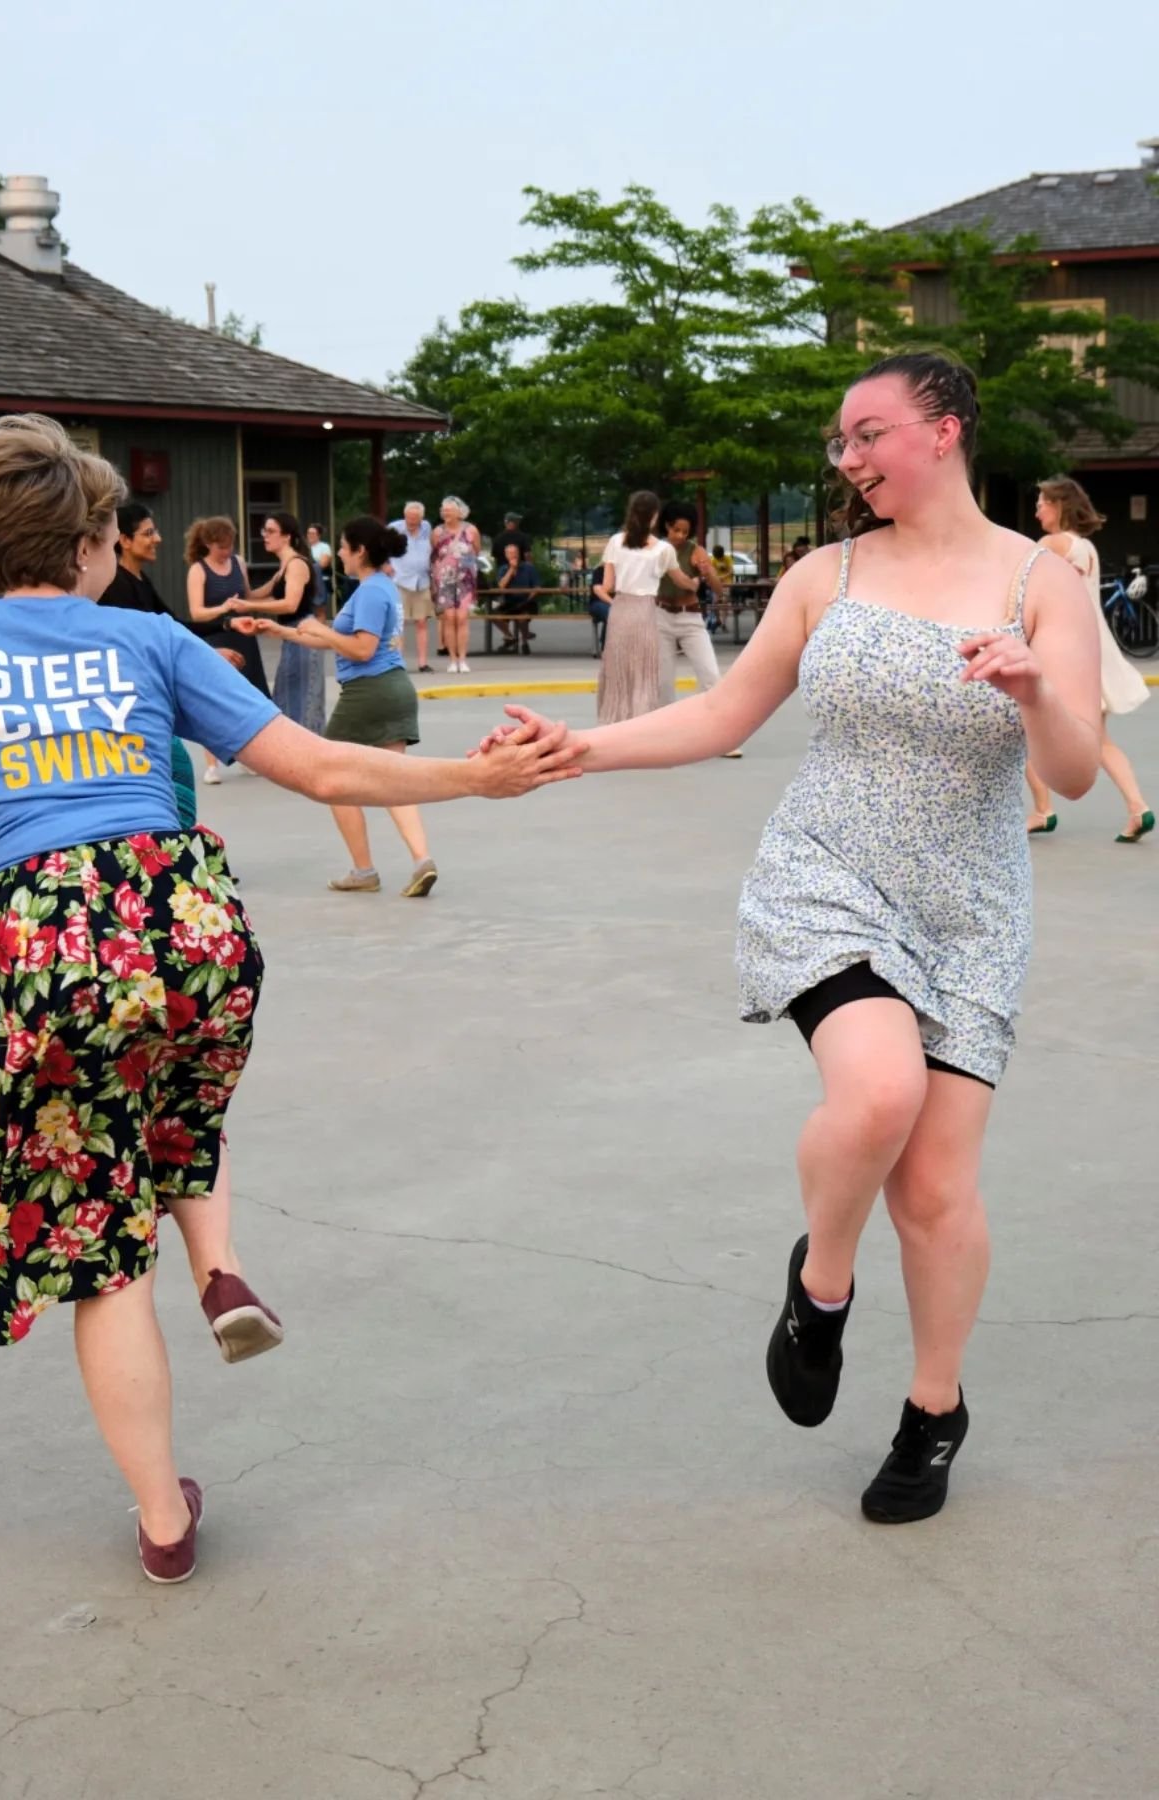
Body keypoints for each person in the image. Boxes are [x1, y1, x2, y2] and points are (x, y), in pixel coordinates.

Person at [0, 414, 579, 1585]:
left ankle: (164, 1524)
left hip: (49, 941)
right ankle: (219, 1261)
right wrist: (474, 780)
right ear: (92, 546)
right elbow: (321, 766)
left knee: (101, 1255)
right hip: (183, 916)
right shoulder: (148, 640)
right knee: (181, 1089)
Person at [478, 352, 1101, 1524]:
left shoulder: (1038, 585)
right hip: (830, 872)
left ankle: (933, 1411)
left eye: (869, 433)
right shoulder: (828, 573)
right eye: (842, 442)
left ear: (946, 431)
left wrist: (1034, 692)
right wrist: (578, 748)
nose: (850, 458)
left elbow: (1068, 770)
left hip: (972, 903)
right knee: (876, 1097)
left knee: (936, 1187)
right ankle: (821, 1286)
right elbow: (724, 711)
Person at [241, 517, 442, 897]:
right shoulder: (383, 588)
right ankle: (422, 860)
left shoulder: (369, 592)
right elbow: (341, 642)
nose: (340, 554)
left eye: (345, 548)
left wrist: (322, 630)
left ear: (360, 551)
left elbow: (362, 650)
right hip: (394, 688)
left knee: (332, 779)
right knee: (395, 782)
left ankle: (363, 869)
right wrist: (281, 631)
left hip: (368, 692)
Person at [1024, 477, 1151, 841]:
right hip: (1097, 653)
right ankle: (1137, 806)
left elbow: (1025, 592)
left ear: (1058, 506)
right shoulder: (1087, 548)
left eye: (1042, 502)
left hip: (1063, 657)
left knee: (1020, 730)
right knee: (1100, 742)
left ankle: (1043, 809)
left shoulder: (1050, 546)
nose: (1037, 509)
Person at [96, 502, 201, 820]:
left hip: (147, 702)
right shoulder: (114, 587)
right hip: (127, 708)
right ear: (124, 540)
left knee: (176, 773)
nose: (157, 539)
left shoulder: (138, 581)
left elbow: (171, 626)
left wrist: (224, 628)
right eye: (148, 532)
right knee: (170, 774)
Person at [185, 515, 272, 787]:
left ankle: (247, 756)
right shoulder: (198, 570)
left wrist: (276, 582)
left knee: (248, 695)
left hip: (243, 635)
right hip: (216, 637)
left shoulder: (238, 563)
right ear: (209, 544)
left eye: (230, 545)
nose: (228, 551)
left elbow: (249, 596)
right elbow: (196, 612)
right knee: (215, 699)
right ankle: (212, 764)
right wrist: (224, 609)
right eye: (222, 547)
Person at [657, 502, 743, 756]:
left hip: (690, 618)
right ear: (666, 526)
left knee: (711, 676)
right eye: (676, 530)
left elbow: (718, 590)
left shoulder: (696, 551)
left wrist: (708, 572)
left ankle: (724, 739)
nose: (680, 536)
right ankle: (665, 737)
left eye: (685, 531)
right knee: (663, 683)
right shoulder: (656, 550)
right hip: (659, 616)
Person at [233, 512, 326, 734]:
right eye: (264, 531)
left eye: (271, 531)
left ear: (287, 536)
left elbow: (289, 604)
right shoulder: (283, 567)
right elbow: (254, 596)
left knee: (304, 702)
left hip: (303, 633)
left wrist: (249, 607)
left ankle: (310, 758)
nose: (265, 536)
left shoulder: (297, 564)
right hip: (290, 635)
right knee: (286, 697)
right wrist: (239, 567)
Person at [594, 491, 673, 724]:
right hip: (645, 609)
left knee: (617, 667)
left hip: (620, 609)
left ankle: (613, 719)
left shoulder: (615, 542)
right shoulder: (662, 549)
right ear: (654, 516)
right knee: (644, 669)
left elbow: (607, 585)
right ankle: (642, 721)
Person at [431, 496, 480, 673]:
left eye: (450, 510)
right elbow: (435, 556)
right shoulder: (437, 532)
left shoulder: (471, 530)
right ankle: (452, 659)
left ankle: (463, 659)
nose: (446, 513)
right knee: (449, 618)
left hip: (465, 579)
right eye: (444, 510)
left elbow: (476, 551)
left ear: (460, 513)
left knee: (462, 618)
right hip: (445, 580)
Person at [388, 501, 435, 671]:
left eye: (415, 518)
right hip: (400, 580)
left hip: (421, 582)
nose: (412, 521)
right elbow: (382, 546)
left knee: (422, 622)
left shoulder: (426, 528)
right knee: (397, 623)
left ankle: (422, 662)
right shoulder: (394, 528)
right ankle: (396, 661)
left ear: (421, 518)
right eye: (409, 517)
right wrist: (386, 565)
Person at [494, 542, 540, 653]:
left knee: (521, 618)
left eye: (515, 553)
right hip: (509, 602)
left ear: (519, 554)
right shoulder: (503, 569)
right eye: (510, 553)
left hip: (526, 602)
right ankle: (510, 637)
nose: (513, 555)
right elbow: (501, 586)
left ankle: (524, 641)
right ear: (506, 555)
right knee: (494, 615)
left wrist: (529, 598)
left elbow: (537, 587)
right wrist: (511, 570)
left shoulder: (529, 568)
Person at [305, 524, 333, 619]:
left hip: (321, 581)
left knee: (319, 609)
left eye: (313, 533)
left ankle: (321, 632)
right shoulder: (304, 548)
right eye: (309, 533)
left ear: (318, 535)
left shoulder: (324, 547)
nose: (310, 535)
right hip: (307, 582)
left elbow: (323, 563)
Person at [588, 564, 611, 657]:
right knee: (611, 613)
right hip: (598, 603)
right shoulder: (600, 570)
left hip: (619, 604)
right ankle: (606, 648)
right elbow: (597, 590)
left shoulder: (625, 570)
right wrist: (613, 602)